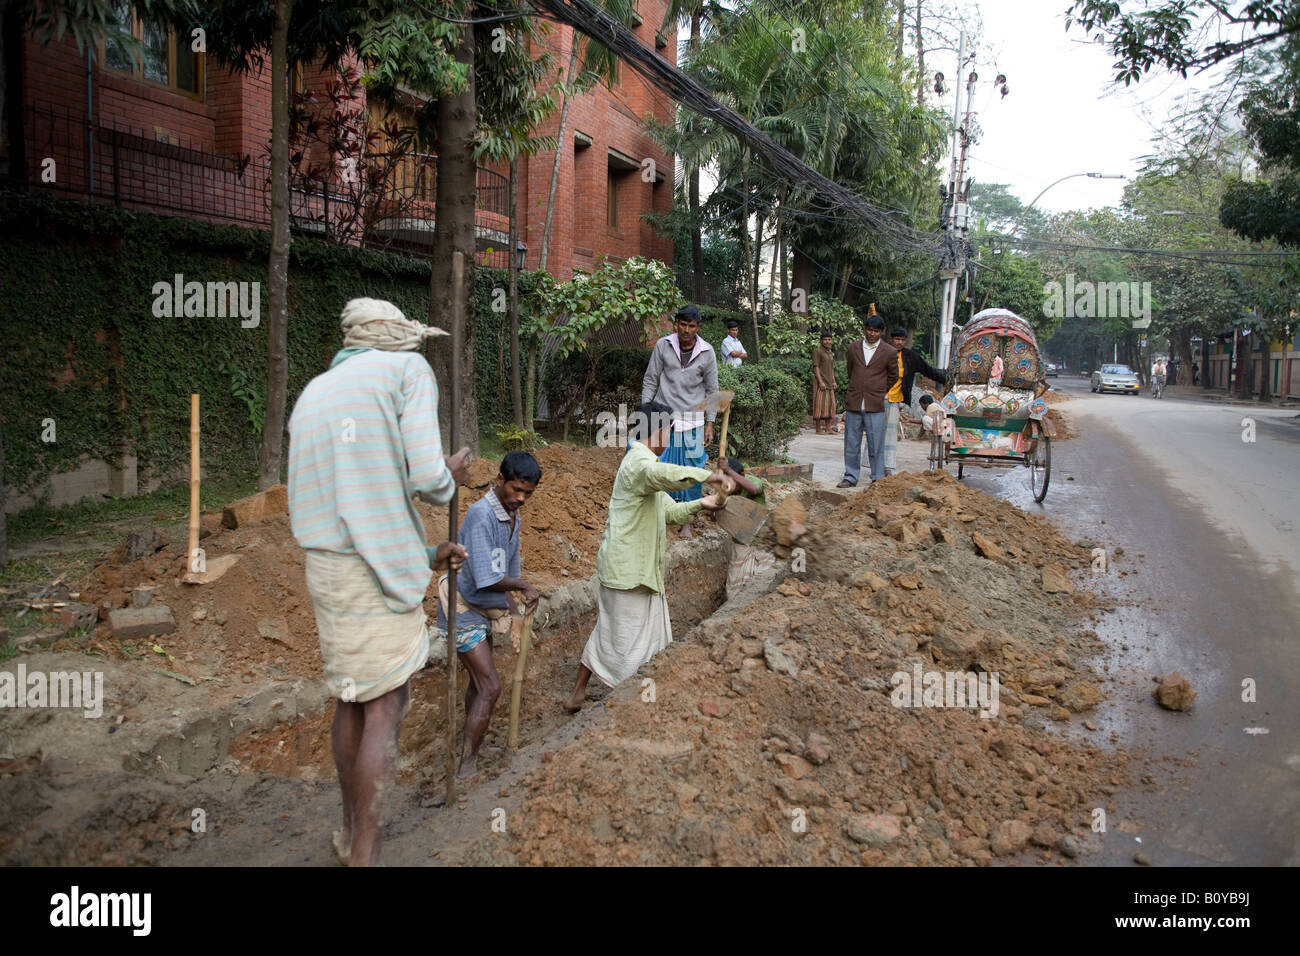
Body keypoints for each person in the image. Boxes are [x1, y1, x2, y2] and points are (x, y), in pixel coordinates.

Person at [288, 296, 472, 867]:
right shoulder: (406, 371)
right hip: (373, 576)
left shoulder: (315, 392)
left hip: (327, 568)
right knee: (386, 703)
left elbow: (359, 490)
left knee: (352, 694)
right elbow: (425, 478)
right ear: (398, 339)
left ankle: (349, 832)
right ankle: (366, 853)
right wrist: (451, 474)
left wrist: (423, 552)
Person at [564, 401, 731, 711]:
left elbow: (670, 510)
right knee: (631, 646)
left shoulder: (644, 468)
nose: (670, 437)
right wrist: (707, 477)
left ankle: (578, 693)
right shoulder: (639, 464)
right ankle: (629, 705)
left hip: (631, 572)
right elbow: (662, 474)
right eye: (669, 430)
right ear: (658, 430)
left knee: (609, 633)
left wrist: (702, 505)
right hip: (628, 573)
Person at [433, 452, 542, 781]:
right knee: (490, 686)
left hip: (486, 604)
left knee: (478, 684)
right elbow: (486, 576)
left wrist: (513, 612)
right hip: (464, 605)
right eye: (515, 490)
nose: (520, 498)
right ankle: (467, 764)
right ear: (499, 481)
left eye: (527, 493)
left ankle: (472, 747)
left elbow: (508, 567)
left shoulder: (511, 515)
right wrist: (523, 586)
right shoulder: (482, 516)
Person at [641, 304, 719, 539]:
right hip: (663, 417)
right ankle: (658, 516)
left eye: (691, 326)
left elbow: (712, 390)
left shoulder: (707, 352)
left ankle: (687, 520)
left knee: (693, 471)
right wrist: (646, 412)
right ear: (676, 324)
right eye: (682, 325)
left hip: (693, 420)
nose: (686, 330)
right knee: (659, 468)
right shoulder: (664, 345)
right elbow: (650, 379)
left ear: (698, 327)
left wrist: (710, 423)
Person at [838, 314, 900, 488]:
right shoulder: (853, 348)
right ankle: (850, 476)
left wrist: (880, 390)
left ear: (881, 332)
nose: (872, 333)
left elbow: (894, 376)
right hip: (855, 400)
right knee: (851, 441)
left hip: (875, 402)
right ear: (865, 329)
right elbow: (850, 370)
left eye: (876, 331)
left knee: (876, 442)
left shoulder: (889, 351)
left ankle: (877, 476)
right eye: (870, 329)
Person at [720, 457, 776, 599]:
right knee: (733, 590)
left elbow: (755, 490)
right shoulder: (725, 488)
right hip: (741, 542)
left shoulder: (753, 483)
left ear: (742, 475)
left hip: (762, 542)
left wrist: (729, 471)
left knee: (761, 586)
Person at [889, 327, 947, 420]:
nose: (899, 342)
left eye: (902, 340)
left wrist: (946, 379)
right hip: (881, 399)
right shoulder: (882, 354)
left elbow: (928, 370)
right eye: (897, 339)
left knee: (892, 431)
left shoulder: (910, 357)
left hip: (898, 401)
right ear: (891, 339)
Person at [812, 331, 838, 434]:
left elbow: (831, 369)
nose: (827, 341)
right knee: (820, 406)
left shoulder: (829, 352)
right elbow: (816, 367)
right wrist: (820, 381)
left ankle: (828, 428)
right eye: (825, 339)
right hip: (821, 383)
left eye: (829, 339)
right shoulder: (817, 351)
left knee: (830, 406)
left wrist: (834, 381)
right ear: (821, 340)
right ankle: (818, 429)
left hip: (829, 383)